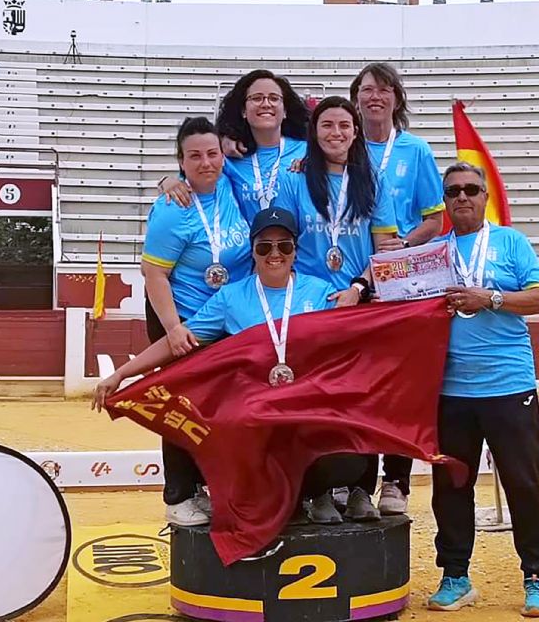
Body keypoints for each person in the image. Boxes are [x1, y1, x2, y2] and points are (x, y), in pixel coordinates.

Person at [94, 207, 368, 526]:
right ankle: (283, 497)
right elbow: (177, 343)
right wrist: (121, 374)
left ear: (296, 250)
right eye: (264, 246)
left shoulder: (320, 292)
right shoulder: (232, 297)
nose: (274, 254)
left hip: (305, 414)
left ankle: (312, 492)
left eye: (284, 245)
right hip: (257, 419)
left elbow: (354, 343)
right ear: (252, 251)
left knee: (351, 462)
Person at [427, 161, 539, 617]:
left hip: (509, 384)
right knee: (450, 486)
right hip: (451, 390)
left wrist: (492, 298)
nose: (462, 197)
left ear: (486, 197)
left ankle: (538, 576)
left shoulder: (511, 242)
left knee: (523, 483)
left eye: (471, 189)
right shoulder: (432, 253)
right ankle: (455, 575)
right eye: (453, 192)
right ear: (444, 202)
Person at [275, 96, 398, 521]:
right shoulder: (294, 180)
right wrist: (303, 292)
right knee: (312, 403)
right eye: (327, 125)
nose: (336, 134)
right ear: (314, 132)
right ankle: (319, 491)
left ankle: (363, 488)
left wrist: (360, 286)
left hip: (359, 305)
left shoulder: (373, 181)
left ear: (356, 131)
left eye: (344, 125)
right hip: (310, 308)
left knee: (364, 401)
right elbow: (283, 243)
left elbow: (386, 248)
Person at [142, 116, 251, 527]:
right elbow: (153, 274)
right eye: (194, 157)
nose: (206, 163)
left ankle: (208, 487)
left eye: (212, 153)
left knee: (219, 410)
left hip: (225, 318)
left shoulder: (231, 184)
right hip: (184, 317)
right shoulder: (172, 208)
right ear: (181, 163)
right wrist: (173, 329)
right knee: (180, 406)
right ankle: (178, 494)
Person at [349, 62, 446, 516]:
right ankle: (356, 482)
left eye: (384, 90)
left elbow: (434, 219)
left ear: (396, 99)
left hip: (406, 278)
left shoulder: (416, 150)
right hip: (356, 279)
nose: (375, 97)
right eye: (367, 89)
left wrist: (402, 244)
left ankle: (397, 481)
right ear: (356, 98)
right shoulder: (341, 149)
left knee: (402, 385)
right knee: (361, 384)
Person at [157, 70, 309, 225]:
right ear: (243, 111)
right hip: (243, 247)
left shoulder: (307, 151)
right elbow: (193, 180)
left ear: (285, 111)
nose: (266, 104)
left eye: (274, 98)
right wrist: (167, 182)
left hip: (292, 248)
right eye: (256, 98)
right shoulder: (230, 155)